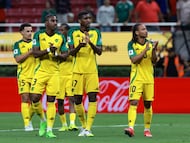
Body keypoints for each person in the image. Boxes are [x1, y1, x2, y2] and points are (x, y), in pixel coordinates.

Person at [30, 14, 67, 138]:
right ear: (46, 22)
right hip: (40, 71)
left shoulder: (61, 37)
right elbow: (35, 53)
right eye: (52, 21)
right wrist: (47, 50)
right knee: (34, 97)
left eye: (56, 21)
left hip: (55, 73)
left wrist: (55, 53)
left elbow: (65, 55)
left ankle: (49, 130)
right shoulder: (38, 35)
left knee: (51, 100)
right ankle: (43, 121)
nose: (55, 23)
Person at [68, 11, 103, 137]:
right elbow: (71, 52)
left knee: (92, 97)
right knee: (77, 99)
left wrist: (90, 43)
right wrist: (80, 46)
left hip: (91, 71)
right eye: (85, 18)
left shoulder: (96, 32)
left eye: (90, 18)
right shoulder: (72, 32)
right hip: (77, 71)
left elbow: (99, 52)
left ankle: (88, 128)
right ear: (79, 20)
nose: (88, 20)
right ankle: (83, 125)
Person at [124, 23, 158, 138]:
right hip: (136, 78)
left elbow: (154, 61)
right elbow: (134, 60)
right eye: (143, 29)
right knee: (133, 102)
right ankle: (131, 128)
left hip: (148, 78)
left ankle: (147, 129)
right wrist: (145, 50)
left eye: (146, 29)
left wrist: (154, 50)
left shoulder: (150, 43)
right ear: (137, 33)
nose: (146, 31)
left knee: (148, 104)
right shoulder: (131, 44)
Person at [13, 23, 36, 131]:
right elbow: (18, 59)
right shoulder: (17, 44)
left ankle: (28, 119)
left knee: (35, 101)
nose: (30, 33)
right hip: (23, 75)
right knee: (25, 98)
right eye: (27, 31)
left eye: (31, 31)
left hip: (36, 75)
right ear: (21, 32)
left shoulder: (36, 43)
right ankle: (27, 123)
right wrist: (30, 52)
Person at [57, 23, 78, 132]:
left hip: (71, 73)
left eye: (62, 30)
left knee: (71, 99)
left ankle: (72, 124)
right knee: (60, 101)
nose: (60, 32)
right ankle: (64, 124)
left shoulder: (72, 42)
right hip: (59, 74)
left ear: (67, 31)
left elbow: (71, 54)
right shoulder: (57, 41)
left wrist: (64, 54)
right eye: (59, 30)